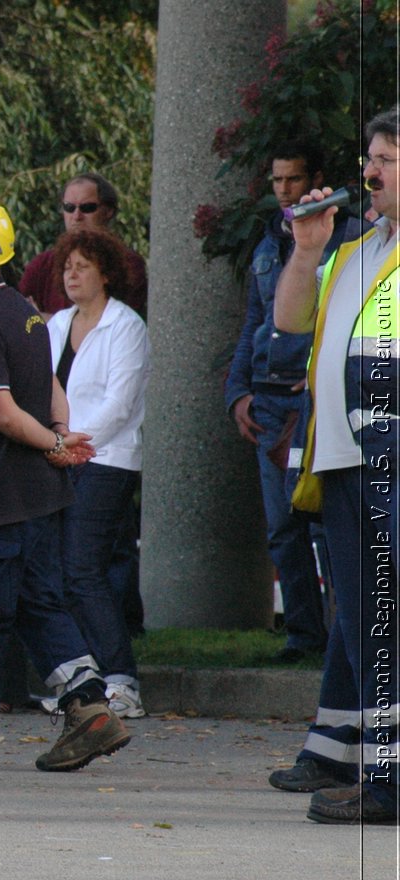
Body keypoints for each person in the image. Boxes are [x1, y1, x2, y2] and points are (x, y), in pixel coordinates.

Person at [0, 198, 132, 773]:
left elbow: (4, 412)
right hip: (36, 498)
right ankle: (90, 710)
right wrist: (59, 434)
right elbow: (51, 389)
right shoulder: (25, 311)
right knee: (41, 606)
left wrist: (54, 443)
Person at [267, 107, 400, 824]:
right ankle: (376, 770)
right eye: (369, 158)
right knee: (372, 623)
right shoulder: (353, 251)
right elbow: (289, 325)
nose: (369, 173)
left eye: (387, 158)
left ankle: (388, 783)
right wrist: (305, 251)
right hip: (347, 463)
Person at [223, 141, 332, 665]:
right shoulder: (268, 243)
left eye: (293, 180)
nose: (284, 190)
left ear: (315, 179)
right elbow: (253, 325)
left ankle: (346, 634)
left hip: (314, 400)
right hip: (265, 402)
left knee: (330, 523)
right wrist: (236, 393)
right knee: (282, 527)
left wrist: (314, 377)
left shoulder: (345, 238)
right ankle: (305, 637)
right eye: (276, 181)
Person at [46, 228, 151, 719]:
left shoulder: (126, 326)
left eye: (83, 266)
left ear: (106, 274)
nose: (72, 273)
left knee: (83, 570)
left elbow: (119, 403)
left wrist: (72, 442)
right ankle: (82, 682)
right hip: (57, 456)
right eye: (67, 265)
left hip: (106, 460)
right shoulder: (56, 324)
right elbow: (38, 387)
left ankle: (121, 680)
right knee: (58, 573)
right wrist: (51, 441)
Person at [18, 173, 149, 318]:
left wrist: (44, 320)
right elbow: (17, 316)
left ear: (108, 211)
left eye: (87, 207)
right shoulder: (41, 265)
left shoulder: (129, 264)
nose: (76, 216)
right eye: (69, 207)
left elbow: (117, 322)